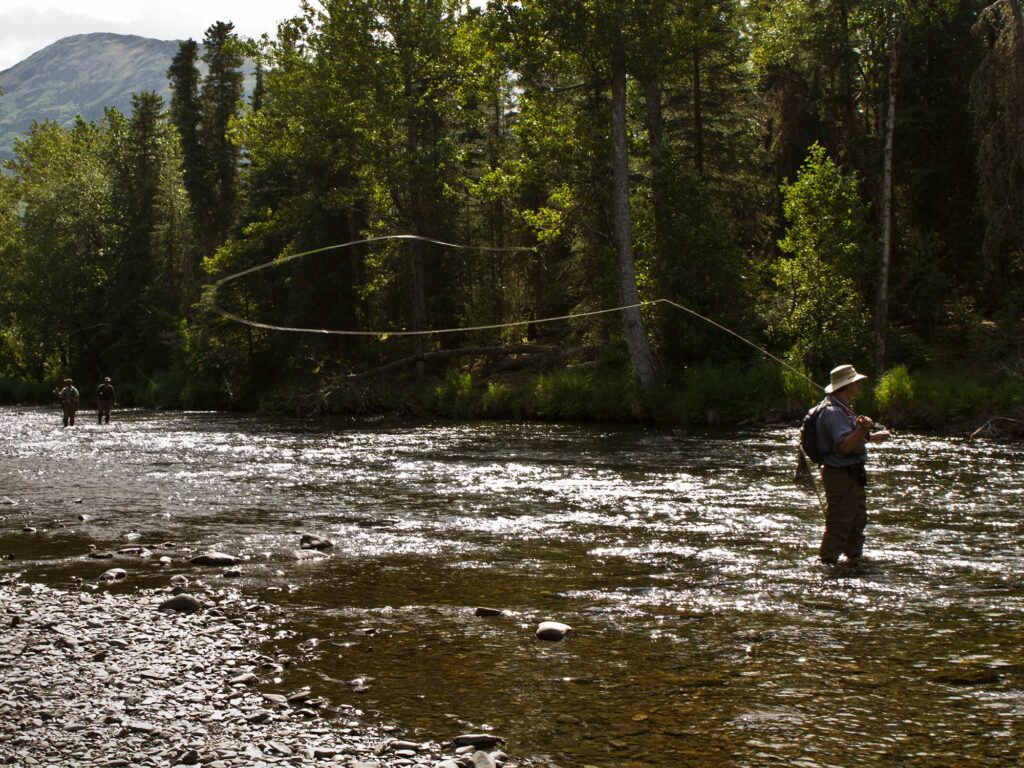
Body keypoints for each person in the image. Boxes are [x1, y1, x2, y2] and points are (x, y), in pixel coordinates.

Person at [815, 364, 891, 568]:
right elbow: (845, 446)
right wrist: (863, 429)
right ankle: (826, 567)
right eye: (856, 382)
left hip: (851, 475)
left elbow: (847, 441)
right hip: (840, 477)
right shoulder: (833, 412)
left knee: (857, 522)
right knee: (839, 525)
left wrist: (870, 436)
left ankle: (854, 563)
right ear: (847, 385)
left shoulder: (842, 408)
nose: (859, 385)